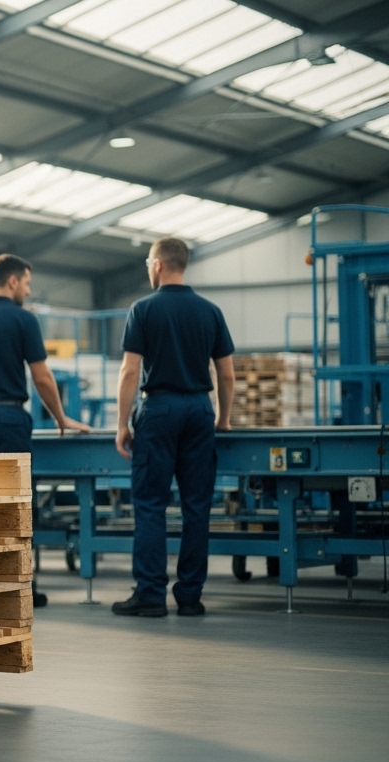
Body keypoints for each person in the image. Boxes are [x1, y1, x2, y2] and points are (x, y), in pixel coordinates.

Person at [0, 254, 90, 607]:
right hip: (7, 418)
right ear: (12, 282)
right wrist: (61, 417)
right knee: (12, 505)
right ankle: (15, 586)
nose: (27, 289)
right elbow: (41, 376)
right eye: (26, 283)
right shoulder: (23, 320)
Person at [113, 237, 234, 618]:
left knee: (150, 504)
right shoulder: (210, 311)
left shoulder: (143, 309)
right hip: (199, 410)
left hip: (159, 409)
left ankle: (150, 595)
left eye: (149, 262)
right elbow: (226, 375)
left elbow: (130, 370)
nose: (148, 267)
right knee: (197, 505)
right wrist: (222, 418)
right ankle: (190, 597)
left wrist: (121, 423)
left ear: (159, 265)